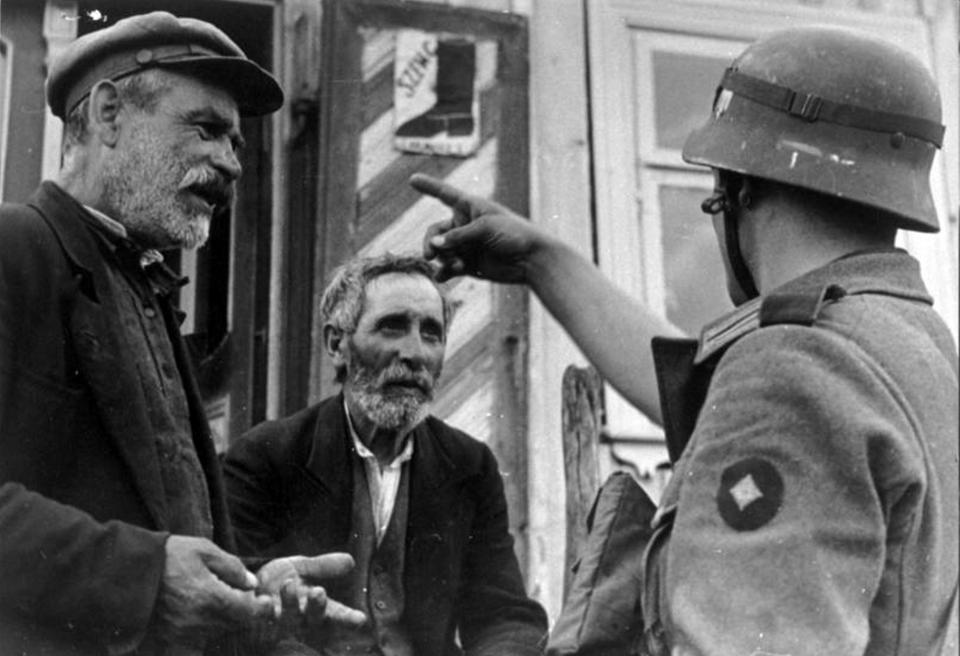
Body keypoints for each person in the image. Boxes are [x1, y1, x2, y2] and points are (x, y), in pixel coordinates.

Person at [409, 25, 959, 656]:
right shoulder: (909, 347)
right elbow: (703, 397)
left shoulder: (790, 371)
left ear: (739, 189)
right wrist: (539, 258)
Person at [0, 12, 365, 656]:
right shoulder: (14, 249)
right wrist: (143, 579)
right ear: (110, 113)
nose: (229, 163)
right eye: (207, 130)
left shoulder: (150, 290)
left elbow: (164, 534)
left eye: (238, 147)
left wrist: (248, 591)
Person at [222, 253, 548, 656]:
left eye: (432, 333)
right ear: (337, 344)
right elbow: (242, 618)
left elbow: (503, 614)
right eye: (392, 327)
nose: (415, 353)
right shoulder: (263, 458)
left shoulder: (470, 466)